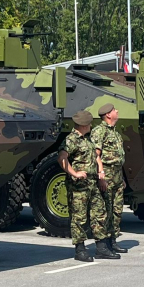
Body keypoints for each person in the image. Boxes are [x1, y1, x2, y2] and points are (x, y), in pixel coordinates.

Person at [59, 110, 116, 261]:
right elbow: (62, 158)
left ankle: (101, 247)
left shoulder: (88, 139)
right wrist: (74, 173)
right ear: (84, 125)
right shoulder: (71, 140)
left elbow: (96, 156)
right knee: (79, 217)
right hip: (79, 186)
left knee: (99, 213)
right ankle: (80, 249)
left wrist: (101, 173)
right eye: (89, 123)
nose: (91, 125)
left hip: (93, 182)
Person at [91, 103, 126, 253]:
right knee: (104, 210)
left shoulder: (115, 133)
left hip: (117, 175)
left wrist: (122, 178)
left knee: (116, 210)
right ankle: (102, 244)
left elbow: (119, 158)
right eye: (114, 110)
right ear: (108, 115)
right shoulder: (99, 131)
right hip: (106, 175)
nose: (117, 111)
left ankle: (112, 240)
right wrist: (101, 176)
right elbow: (95, 155)